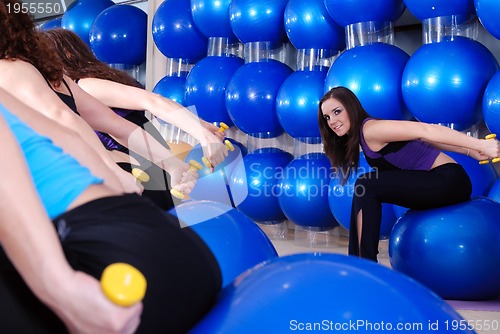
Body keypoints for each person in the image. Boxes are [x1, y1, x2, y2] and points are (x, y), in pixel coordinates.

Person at [0, 86, 222, 333]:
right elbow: (69, 136)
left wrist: (61, 288)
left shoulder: (11, 71)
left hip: (100, 268)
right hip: (160, 240)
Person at [0, 0, 228, 209]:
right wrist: (172, 165)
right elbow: (115, 126)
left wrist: (113, 170)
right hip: (115, 175)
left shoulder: (18, 72)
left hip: (93, 182)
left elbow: (70, 119)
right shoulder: (55, 78)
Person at [318, 86, 500, 262]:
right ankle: (359, 263)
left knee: (365, 185)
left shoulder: (371, 129)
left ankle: (364, 264)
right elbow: (421, 139)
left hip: (448, 181)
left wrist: (479, 145)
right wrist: (469, 152)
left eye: (337, 111)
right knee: (365, 186)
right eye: (327, 117)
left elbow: (425, 130)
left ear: (351, 107)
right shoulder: (363, 135)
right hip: (437, 182)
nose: (332, 121)